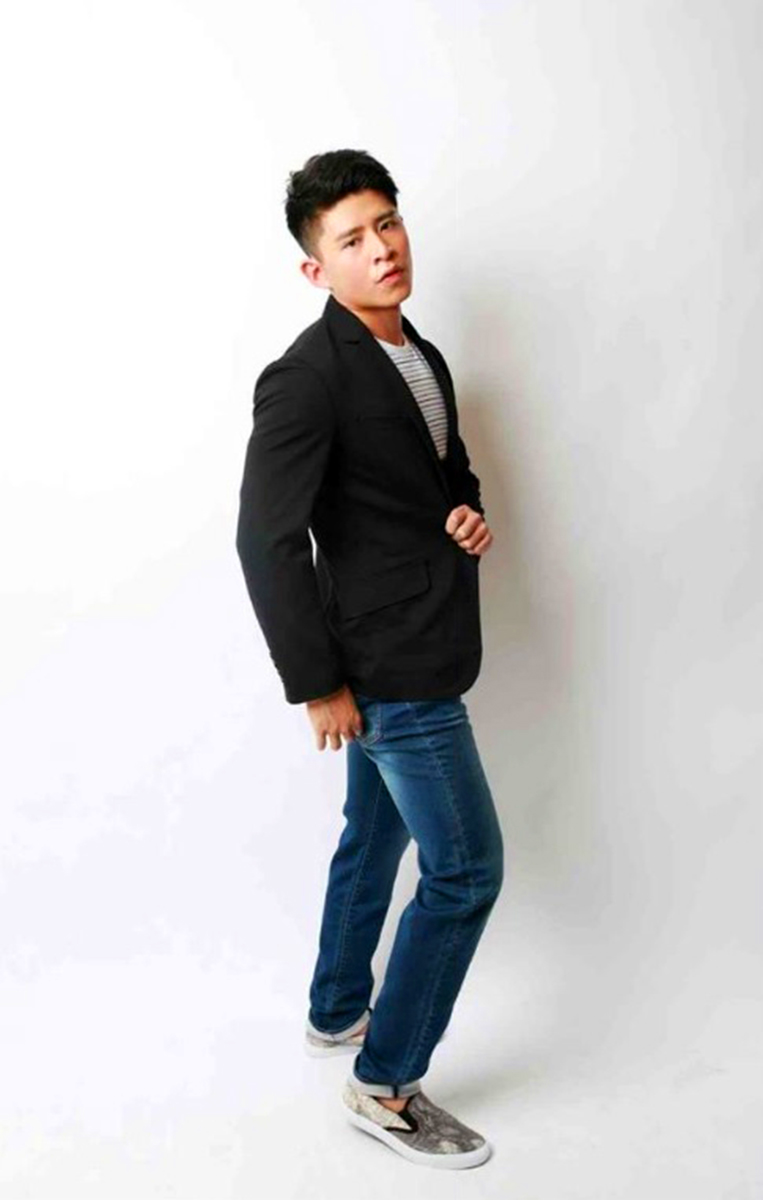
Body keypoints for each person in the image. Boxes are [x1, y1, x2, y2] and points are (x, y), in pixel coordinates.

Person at [235, 149, 504, 1169]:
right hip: (387, 667)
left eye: (387, 223)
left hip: (424, 634)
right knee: (466, 870)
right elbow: (266, 540)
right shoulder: (305, 378)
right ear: (316, 269)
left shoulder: (415, 351)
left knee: (374, 832)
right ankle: (386, 1086)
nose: (382, 247)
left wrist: (463, 512)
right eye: (352, 239)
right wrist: (318, 686)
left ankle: (337, 1009)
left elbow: (439, 473)